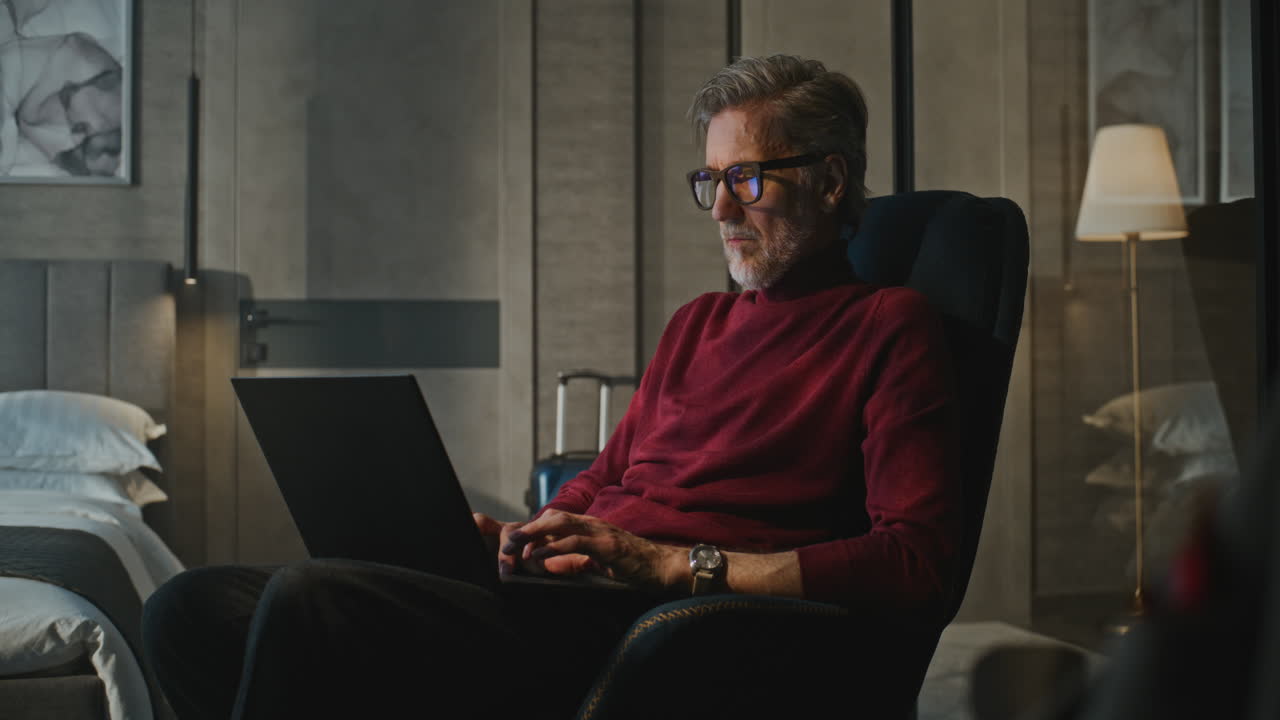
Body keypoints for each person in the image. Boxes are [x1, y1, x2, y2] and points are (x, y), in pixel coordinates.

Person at [142, 54, 960, 720]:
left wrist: (671, 565)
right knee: (190, 605)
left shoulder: (892, 326)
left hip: (667, 631)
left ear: (830, 179)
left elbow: (910, 561)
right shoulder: (699, 323)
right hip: (567, 598)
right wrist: (526, 534)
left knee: (309, 601)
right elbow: (608, 478)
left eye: (747, 179)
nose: (719, 211)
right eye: (711, 181)